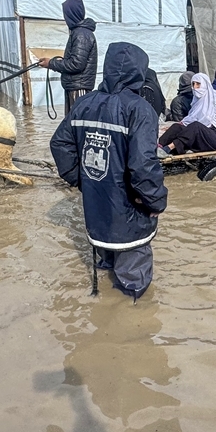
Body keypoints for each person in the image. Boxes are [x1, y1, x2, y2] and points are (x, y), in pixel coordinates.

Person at [50, 42, 167, 300]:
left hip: (96, 208)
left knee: (106, 266)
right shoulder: (140, 109)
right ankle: (132, 323)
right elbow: (143, 166)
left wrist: (80, 179)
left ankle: (106, 318)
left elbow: (59, 143)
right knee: (134, 288)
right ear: (140, 72)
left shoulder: (84, 103)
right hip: (128, 214)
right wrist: (157, 201)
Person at [38, 0, 98, 115]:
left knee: (77, 123)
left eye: (65, 14)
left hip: (79, 87)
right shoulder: (78, 32)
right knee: (71, 124)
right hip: (74, 86)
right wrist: (58, 63)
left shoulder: (81, 34)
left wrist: (50, 63)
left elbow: (77, 64)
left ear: (71, 14)